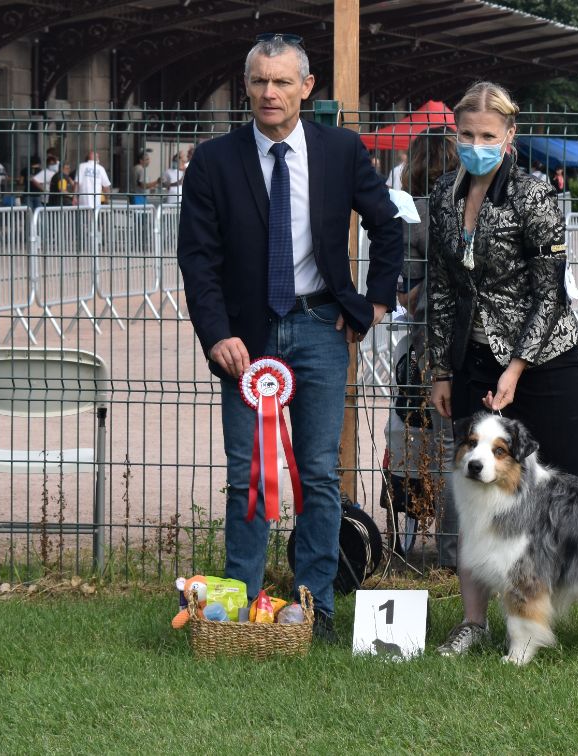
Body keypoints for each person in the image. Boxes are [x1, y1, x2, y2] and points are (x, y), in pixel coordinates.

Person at [177, 33, 403, 642]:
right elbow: (197, 259)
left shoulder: (341, 151)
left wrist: (374, 303)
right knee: (247, 472)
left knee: (319, 473)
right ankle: (239, 610)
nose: (269, 92)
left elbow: (388, 227)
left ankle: (316, 607)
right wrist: (215, 334)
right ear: (245, 86)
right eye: (258, 81)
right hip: (245, 344)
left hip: (320, 327)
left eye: (282, 81)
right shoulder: (214, 162)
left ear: (307, 87)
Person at [427, 81, 578, 657]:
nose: (476, 144)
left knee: (576, 495)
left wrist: (517, 366)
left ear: (509, 137)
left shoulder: (534, 195)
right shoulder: (442, 194)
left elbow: (549, 293)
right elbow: (443, 286)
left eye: (488, 135)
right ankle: (473, 621)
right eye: (466, 134)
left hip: (544, 363)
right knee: (473, 492)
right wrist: (441, 366)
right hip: (472, 358)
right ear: (454, 133)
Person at [383, 126, 459, 569]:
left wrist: (413, 293)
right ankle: (456, 551)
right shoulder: (468, 205)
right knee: (457, 444)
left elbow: (403, 284)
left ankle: (410, 537)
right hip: (465, 343)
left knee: (412, 438)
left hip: (424, 345)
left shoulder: (410, 213)